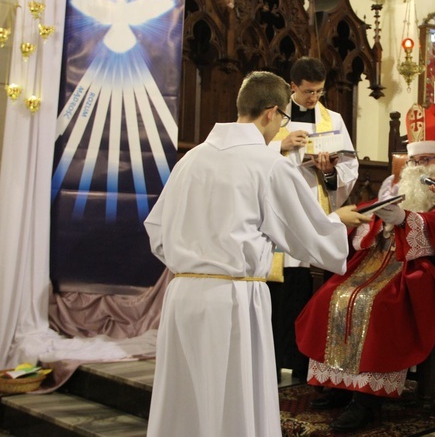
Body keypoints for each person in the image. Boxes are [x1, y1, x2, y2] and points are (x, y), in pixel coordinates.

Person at [144, 71, 370, 437]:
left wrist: (195, 258)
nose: (280, 126)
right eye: (282, 119)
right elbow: (308, 234)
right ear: (271, 112)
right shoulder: (265, 163)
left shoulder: (191, 159)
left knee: (185, 398)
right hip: (233, 297)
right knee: (234, 399)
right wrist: (336, 220)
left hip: (182, 296)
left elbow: (156, 232)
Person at [295, 102, 435, 432]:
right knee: (332, 295)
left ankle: (368, 400)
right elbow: (370, 212)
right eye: (414, 160)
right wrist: (374, 221)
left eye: (426, 160)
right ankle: (341, 386)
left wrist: (407, 221)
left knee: (375, 304)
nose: (418, 167)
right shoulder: (397, 185)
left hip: (418, 266)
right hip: (378, 259)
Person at [268, 57, 359, 381]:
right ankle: (271, 363)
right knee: (279, 298)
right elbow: (251, 157)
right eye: (308, 92)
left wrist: (329, 169)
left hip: (314, 209)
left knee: (305, 295)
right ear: (293, 87)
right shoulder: (273, 117)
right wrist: (282, 146)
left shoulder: (331, 119)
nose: (314, 98)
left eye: (319, 91)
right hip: (279, 216)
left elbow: (349, 168)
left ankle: (303, 367)